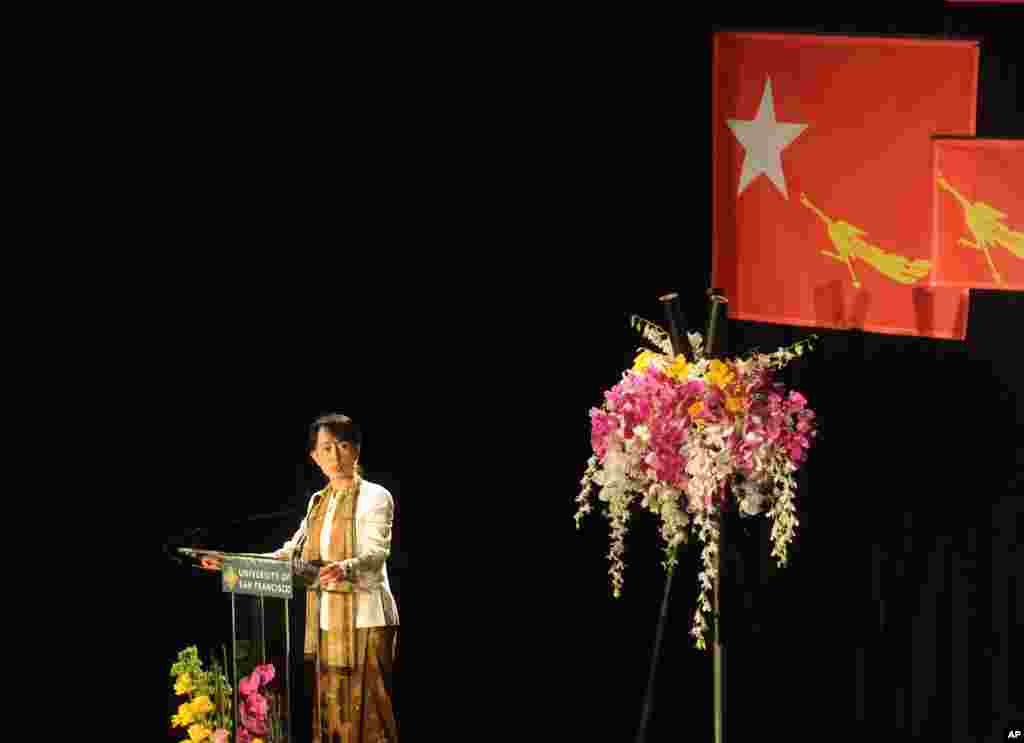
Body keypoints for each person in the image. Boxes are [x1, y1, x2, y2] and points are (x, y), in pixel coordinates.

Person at [202, 413, 399, 743]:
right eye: (325, 449)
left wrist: (346, 566)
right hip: (327, 619)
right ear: (314, 457)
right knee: (333, 711)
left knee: (370, 711)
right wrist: (232, 562)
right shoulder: (317, 502)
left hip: (368, 618)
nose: (334, 456)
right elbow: (290, 552)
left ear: (356, 451)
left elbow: (377, 551)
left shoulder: (376, 496)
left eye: (343, 445)